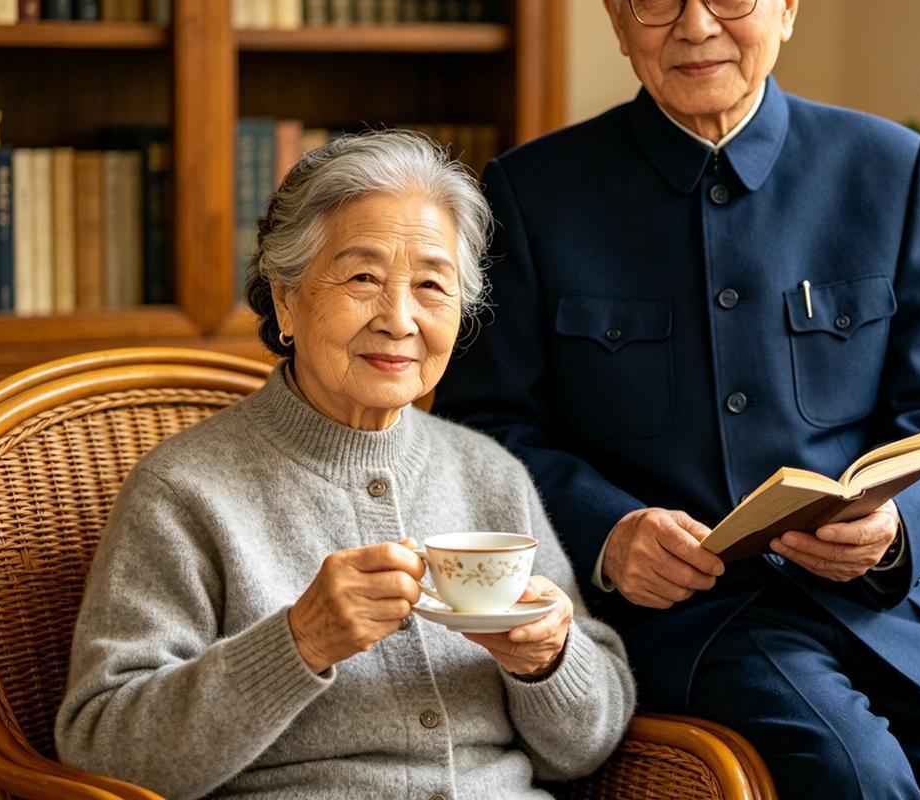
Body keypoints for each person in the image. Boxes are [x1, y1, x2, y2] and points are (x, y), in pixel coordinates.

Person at [434, 0, 920, 799]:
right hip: (686, 621)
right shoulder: (533, 194)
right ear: (615, 14)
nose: (696, 23)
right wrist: (609, 532)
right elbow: (481, 432)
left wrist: (891, 528)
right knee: (854, 775)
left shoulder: (891, 170)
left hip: (881, 602)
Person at [56, 131, 635, 800]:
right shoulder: (184, 492)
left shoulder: (489, 473)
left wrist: (550, 662)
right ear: (286, 299)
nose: (399, 319)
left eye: (431, 285)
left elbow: (587, 746)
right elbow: (103, 750)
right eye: (363, 277)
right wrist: (297, 644)